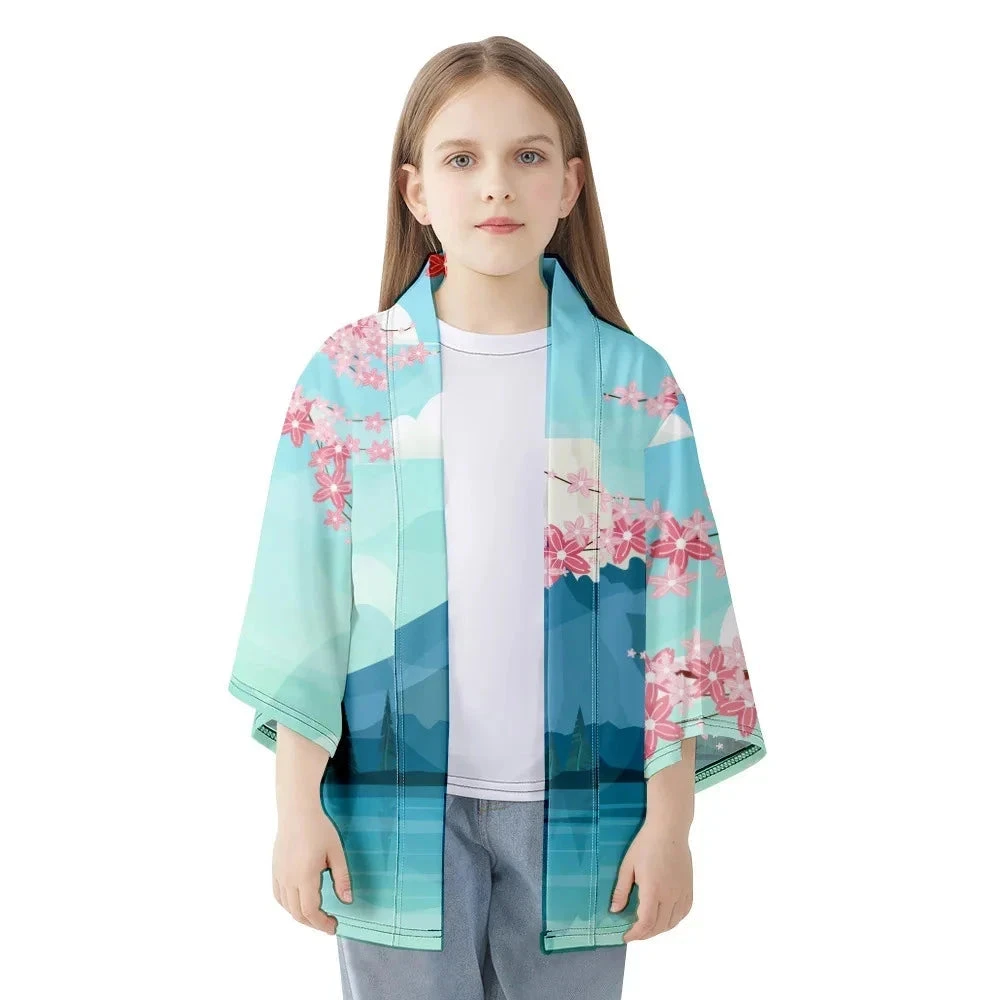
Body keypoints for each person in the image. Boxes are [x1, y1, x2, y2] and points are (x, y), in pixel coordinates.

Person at [228, 35, 766, 1000]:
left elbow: (682, 615)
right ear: (414, 190)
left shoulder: (634, 387)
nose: (495, 186)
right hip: (391, 810)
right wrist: (296, 807)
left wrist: (672, 821)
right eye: (461, 158)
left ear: (570, 184)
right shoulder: (350, 378)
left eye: (527, 155)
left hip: (586, 813)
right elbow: (305, 604)